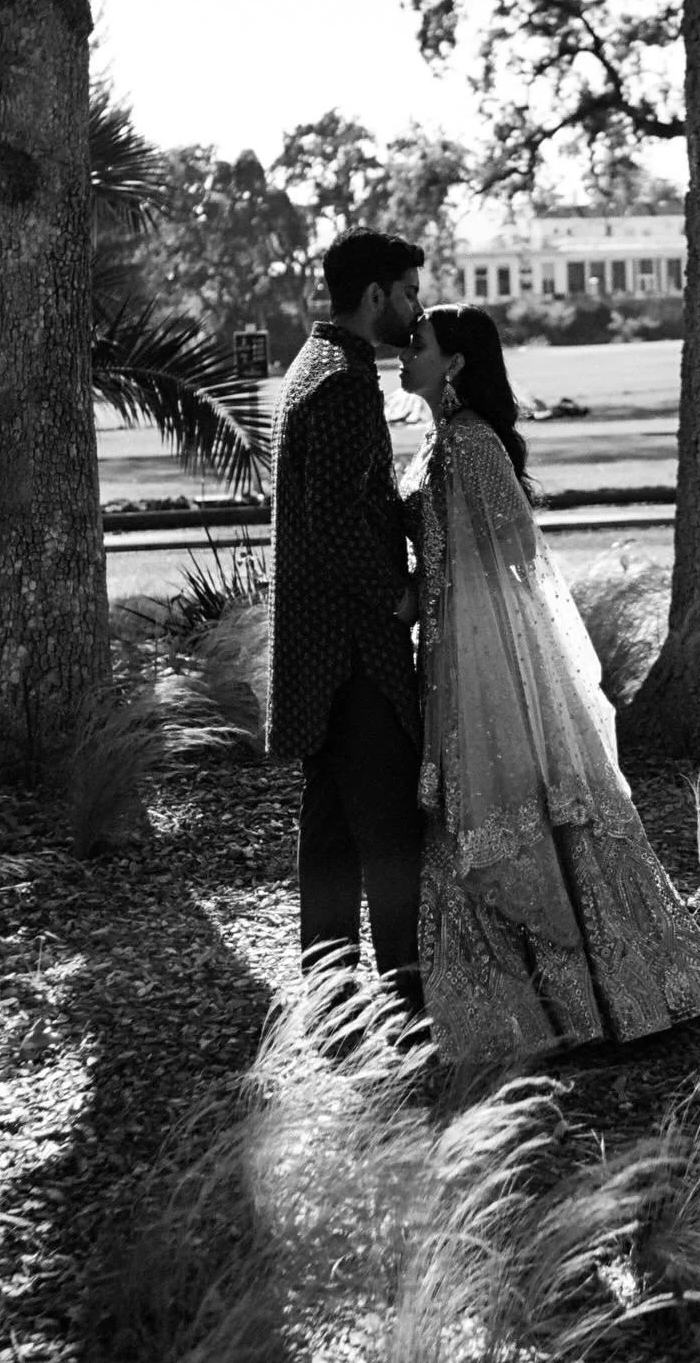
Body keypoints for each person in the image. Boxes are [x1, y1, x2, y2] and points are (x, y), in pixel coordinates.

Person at [398, 304, 700, 1062]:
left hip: (485, 657)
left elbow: (514, 545)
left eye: (416, 345)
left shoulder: (471, 445)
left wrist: (438, 595)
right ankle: (525, 1004)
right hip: (453, 650)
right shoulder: (440, 444)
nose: (402, 356)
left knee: (512, 806)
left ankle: (594, 999)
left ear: (453, 362)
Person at [266, 227, 427, 1010]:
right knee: (390, 828)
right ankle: (407, 1002)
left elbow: (346, 505)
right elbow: (331, 519)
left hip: (326, 651)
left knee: (330, 827)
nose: (415, 307)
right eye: (407, 292)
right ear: (374, 297)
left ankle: (331, 1003)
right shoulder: (340, 381)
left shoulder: (318, 365)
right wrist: (397, 596)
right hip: (352, 652)